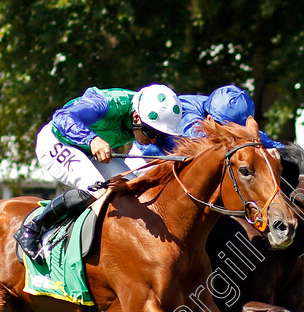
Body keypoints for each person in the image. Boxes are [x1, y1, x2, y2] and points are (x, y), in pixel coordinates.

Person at [19, 84, 184, 257]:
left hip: (91, 151)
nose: (153, 140)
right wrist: (92, 140)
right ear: (136, 116)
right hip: (56, 141)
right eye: (150, 132)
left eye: (159, 135)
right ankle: (33, 228)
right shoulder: (106, 103)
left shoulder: (147, 117)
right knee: (93, 186)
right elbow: (62, 117)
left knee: (135, 190)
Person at [129, 84, 282, 163]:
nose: (234, 134)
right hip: (148, 153)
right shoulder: (189, 120)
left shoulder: (218, 108)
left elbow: (263, 139)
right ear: (210, 119)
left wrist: (276, 148)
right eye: (229, 130)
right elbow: (206, 146)